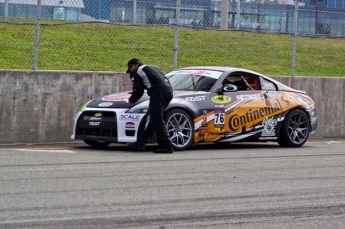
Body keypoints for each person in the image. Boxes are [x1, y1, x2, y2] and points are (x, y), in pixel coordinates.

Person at [126, 58, 174, 153]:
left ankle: (167, 146)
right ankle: (141, 142)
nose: (131, 71)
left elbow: (138, 90)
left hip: (158, 92)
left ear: (133, 65)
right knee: (152, 118)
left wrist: (132, 99)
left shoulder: (137, 71)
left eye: (130, 69)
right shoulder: (153, 67)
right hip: (169, 91)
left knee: (157, 119)